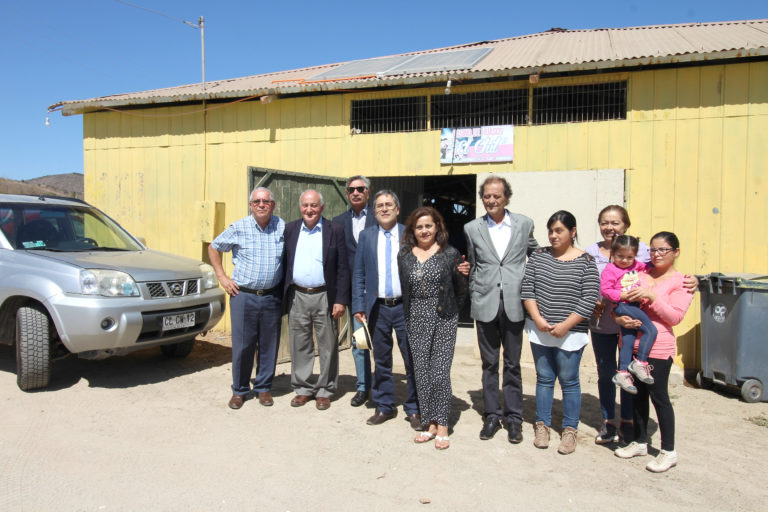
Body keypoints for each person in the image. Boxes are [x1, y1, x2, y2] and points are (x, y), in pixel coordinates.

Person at [586, 205, 697, 444]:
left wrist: (692, 280)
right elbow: (588, 283)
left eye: (615, 223)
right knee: (606, 374)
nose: (610, 227)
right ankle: (609, 423)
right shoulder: (591, 251)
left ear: (626, 225)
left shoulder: (645, 251)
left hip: (633, 324)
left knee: (628, 373)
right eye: (605, 222)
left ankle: (629, 423)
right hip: (604, 324)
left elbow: (660, 272)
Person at [463, 176, 538, 444]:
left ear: (506, 197)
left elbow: (536, 254)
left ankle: (514, 418)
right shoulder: (472, 228)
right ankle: (492, 415)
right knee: (489, 363)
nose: (491, 200)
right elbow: (473, 264)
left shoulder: (523, 224)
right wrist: (474, 294)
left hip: (516, 302)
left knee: (513, 364)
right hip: (485, 303)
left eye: (497, 195)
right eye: (486, 196)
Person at [613, 232, 693, 473]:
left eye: (663, 250)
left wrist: (651, 296)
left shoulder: (682, 282)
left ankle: (668, 451)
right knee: (636, 396)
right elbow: (621, 301)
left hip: (659, 348)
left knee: (659, 397)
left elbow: (675, 317)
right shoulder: (640, 273)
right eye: (653, 250)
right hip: (632, 345)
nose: (657, 254)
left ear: (676, 252)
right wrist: (619, 318)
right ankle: (639, 440)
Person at [522, 210, 600, 455]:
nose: (553, 235)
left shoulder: (586, 261)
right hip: (541, 329)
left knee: (569, 381)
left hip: (571, 332)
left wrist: (566, 325)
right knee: (544, 378)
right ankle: (542, 425)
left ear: (572, 232)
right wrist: (538, 319)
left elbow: (589, 298)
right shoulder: (538, 256)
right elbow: (528, 290)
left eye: (559, 231)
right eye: (551, 231)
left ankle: (569, 430)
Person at [208, 187, 285, 410]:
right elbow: (214, 248)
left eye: (266, 201)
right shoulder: (239, 227)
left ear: (272, 205)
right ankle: (240, 390)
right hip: (243, 296)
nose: (262, 205)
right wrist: (222, 277)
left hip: (271, 296)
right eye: (257, 201)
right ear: (251, 205)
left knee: (269, 345)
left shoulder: (281, 226)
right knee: (243, 346)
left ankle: (263, 388)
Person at [399, 207, 468, 450]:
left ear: (437, 227)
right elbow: (405, 289)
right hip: (415, 317)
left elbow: (461, 289)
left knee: (439, 372)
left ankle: (443, 425)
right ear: (413, 230)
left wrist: (450, 312)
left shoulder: (450, 254)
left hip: (443, 319)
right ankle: (429, 423)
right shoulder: (405, 255)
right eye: (419, 227)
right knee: (421, 373)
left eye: (429, 225)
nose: (424, 230)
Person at [352, 190, 421, 430]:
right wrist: (358, 306)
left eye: (388, 204)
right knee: (381, 360)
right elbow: (359, 273)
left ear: (397, 209)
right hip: (377, 308)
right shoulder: (366, 236)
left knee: (412, 359)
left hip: (405, 307)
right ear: (374, 211)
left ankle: (414, 408)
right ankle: (384, 405)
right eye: (379, 205)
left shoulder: (409, 235)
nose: (384, 208)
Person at [283, 189, 349, 410]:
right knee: (299, 343)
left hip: (325, 295)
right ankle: (303, 388)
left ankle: (325, 390)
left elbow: (342, 268)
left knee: (328, 344)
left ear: (321, 207)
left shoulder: (335, 230)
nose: (309, 210)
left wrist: (340, 299)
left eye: (313, 205)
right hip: (298, 295)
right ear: (300, 207)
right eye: (305, 205)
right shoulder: (290, 229)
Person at [333, 175, 377, 407]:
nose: (356, 193)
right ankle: (363, 387)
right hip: (355, 293)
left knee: (379, 342)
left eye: (360, 189)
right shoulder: (338, 222)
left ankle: (381, 386)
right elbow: (337, 261)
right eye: (351, 189)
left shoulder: (380, 217)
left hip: (380, 292)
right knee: (360, 341)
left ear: (368, 192)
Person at [601, 235, 657, 394]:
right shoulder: (611, 269)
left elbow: (649, 266)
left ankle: (623, 372)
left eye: (629, 257)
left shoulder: (636, 265)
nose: (625, 261)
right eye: (620, 256)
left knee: (628, 340)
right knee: (651, 331)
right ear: (612, 253)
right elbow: (606, 290)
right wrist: (623, 296)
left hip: (633, 305)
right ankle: (640, 361)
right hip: (623, 306)